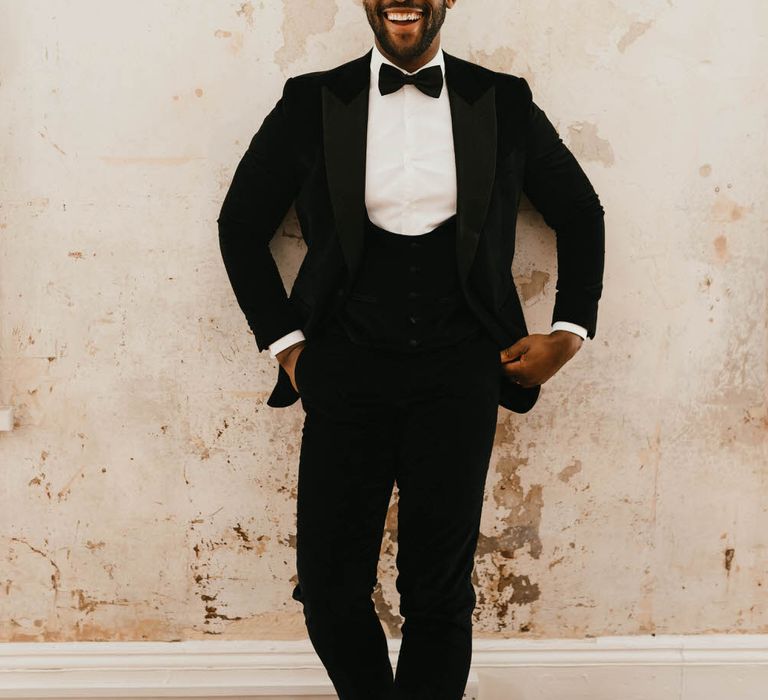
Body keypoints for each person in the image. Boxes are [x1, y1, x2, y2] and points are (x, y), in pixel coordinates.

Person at [217, 1, 605, 698]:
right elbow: (241, 224)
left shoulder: (501, 100)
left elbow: (579, 212)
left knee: (439, 590)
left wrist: (568, 336)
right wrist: (289, 348)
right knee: (332, 584)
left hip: (462, 371)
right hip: (342, 367)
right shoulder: (312, 101)